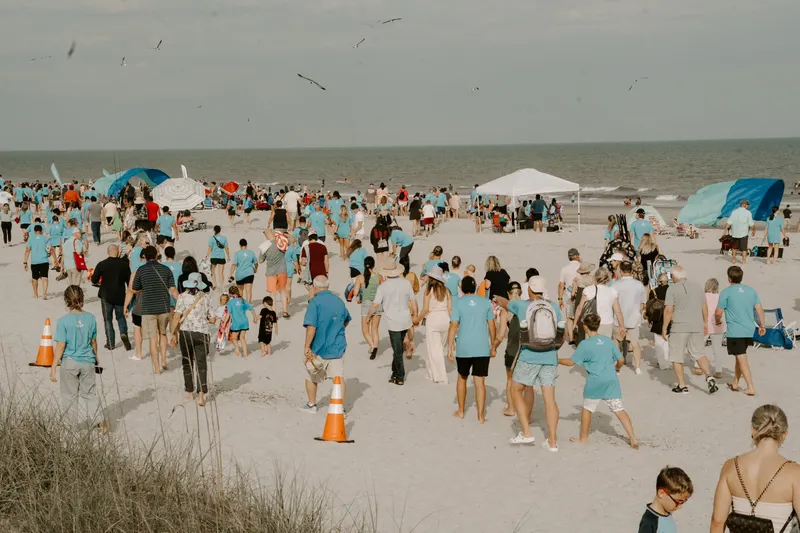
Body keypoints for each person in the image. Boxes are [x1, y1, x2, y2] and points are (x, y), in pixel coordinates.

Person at [494, 276, 561, 450]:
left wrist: (497, 298)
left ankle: (526, 432)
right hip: (550, 356)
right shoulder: (553, 306)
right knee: (550, 400)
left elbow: (505, 303)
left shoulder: (522, 305)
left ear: (529, 290)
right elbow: (561, 332)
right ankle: (552, 442)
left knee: (516, 388)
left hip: (529, 355)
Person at [710, 404, 800, 533]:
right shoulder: (794, 473)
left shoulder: (731, 466)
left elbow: (717, 522)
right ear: (784, 434)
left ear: (753, 430)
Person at [558, 314, 638, 448]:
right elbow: (621, 359)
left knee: (587, 409)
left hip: (595, 380)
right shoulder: (608, 341)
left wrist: (557, 360)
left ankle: (583, 438)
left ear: (585, 327)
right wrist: (617, 369)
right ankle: (633, 438)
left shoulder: (585, 344)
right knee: (619, 409)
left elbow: (571, 362)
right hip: (611, 379)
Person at [49, 285, 108, 434]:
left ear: (66, 300)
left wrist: (53, 367)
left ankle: (70, 428)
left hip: (70, 361)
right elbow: (93, 342)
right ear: (82, 299)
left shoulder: (63, 321)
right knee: (90, 394)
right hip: (87, 360)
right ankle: (100, 422)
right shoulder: (90, 318)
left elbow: (60, 346)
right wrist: (96, 358)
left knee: (69, 396)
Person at [660, 265, 718, 394]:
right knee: (699, 353)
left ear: (674, 276)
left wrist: (664, 328)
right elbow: (704, 307)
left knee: (676, 356)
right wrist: (705, 323)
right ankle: (709, 375)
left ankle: (682, 385)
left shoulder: (672, 288)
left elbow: (668, 310)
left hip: (679, 326)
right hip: (696, 324)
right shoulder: (697, 286)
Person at [124, 245, 179, 374]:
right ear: (156, 256)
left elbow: (135, 289)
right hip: (164, 306)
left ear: (144, 257)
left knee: (153, 338)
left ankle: (156, 368)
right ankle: (164, 360)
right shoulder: (166, 270)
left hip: (148, 308)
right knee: (163, 334)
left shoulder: (141, 271)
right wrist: (180, 303)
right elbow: (173, 290)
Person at [448, 275, 495, 423]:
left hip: (464, 347)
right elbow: (492, 325)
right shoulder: (485, 302)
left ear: (462, 289)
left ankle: (461, 411)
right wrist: (493, 345)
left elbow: (454, 325)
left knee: (462, 378)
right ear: (475, 288)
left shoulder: (458, 303)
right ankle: (481, 416)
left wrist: (449, 346)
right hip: (482, 347)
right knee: (480, 382)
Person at [301, 276, 351, 413]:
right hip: (337, 345)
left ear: (315, 287)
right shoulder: (338, 301)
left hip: (319, 347)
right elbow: (346, 320)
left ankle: (312, 404)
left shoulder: (315, 302)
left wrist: (307, 347)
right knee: (338, 378)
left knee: (311, 376)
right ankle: (339, 407)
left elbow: (311, 328)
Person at [715, 266, 766, 396]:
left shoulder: (726, 292)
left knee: (741, 358)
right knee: (739, 356)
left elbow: (718, 311)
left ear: (729, 278)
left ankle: (750, 387)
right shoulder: (751, 291)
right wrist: (762, 325)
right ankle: (735, 383)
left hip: (736, 330)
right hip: (749, 329)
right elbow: (759, 309)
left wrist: (717, 320)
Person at [368, 260, 417, 385]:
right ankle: (394, 373)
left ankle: (400, 376)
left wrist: (369, 316)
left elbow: (375, 304)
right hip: (405, 319)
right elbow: (413, 301)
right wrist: (415, 315)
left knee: (397, 351)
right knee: (398, 347)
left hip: (393, 321)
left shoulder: (383, 287)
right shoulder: (406, 283)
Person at [170, 273, 215, 407]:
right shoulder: (206, 298)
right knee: (201, 364)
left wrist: (172, 333)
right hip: (202, 333)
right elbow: (212, 319)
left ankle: (190, 392)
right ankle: (201, 395)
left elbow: (177, 316)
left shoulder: (182, 297)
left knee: (187, 362)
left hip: (186, 332)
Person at [415, 266, 452, 384]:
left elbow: (425, 309)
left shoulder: (428, 291)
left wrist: (418, 319)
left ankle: (440, 376)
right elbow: (450, 309)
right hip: (445, 320)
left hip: (433, 320)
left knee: (434, 349)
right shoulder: (447, 291)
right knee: (440, 348)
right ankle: (432, 371)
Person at [91, 244, 132, 351]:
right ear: (117, 252)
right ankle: (123, 333)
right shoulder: (124, 265)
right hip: (120, 295)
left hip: (106, 295)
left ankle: (110, 342)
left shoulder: (102, 264)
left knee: (107, 319)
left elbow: (94, 279)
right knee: (120, 317)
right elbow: (129, 282)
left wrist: (99, 281)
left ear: (108, 252)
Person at [613, 261, 647, 374]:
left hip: (619, 319)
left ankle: (618, 364)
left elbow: (612, 302)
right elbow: (643, 304)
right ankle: (637, 367)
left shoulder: (616, 285)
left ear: (621, 271)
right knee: (635, 343)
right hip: (634, 317)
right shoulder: (639, 285)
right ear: (631, 271)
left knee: (617, 341)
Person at [495, 281, 523, 417]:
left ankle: (511, 408)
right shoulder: (527, 306)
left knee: (510, 380)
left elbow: (500, 335)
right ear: (521, 292)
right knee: (526, 382)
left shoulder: (505, 311)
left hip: (512, 348)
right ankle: (524, 408)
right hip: (527, 349)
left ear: (508, 294)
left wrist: (493, 347)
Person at [574, 267, 625, 339]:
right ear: (608, 278)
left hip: (591, 323)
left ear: (595, 277)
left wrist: (575, 322)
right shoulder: (613, 291)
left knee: (591, 346)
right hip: (607, 323)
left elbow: (579, 308)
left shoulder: (588, 290)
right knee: (604, 347)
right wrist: (621, 326)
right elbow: (618, 312)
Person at [639, 467, 694, 533]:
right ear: (661, 493)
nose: (679, 506)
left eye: (683, 502)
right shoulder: (649, 522)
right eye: (678, 501)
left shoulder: (667, 514)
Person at [354, 256, 382, 359]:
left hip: (366, 305)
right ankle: (374, 346)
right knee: (375, 329)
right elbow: (382, 291)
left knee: (365, 330)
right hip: (377, 304)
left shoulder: (360, 278)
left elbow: (356, 292)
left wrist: (357, 293)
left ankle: (372, 345)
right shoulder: (379, 277)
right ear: (374, 265)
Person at [259, 230, 289, 318]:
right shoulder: (280, 242)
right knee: (283, 291)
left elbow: (260, 261)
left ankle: (274, 313)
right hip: (282, 270)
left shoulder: (264, 246)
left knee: (273, 294)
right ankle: (285, 311)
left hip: (271, 272)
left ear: (266, 236)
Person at [701, 278, 724, 377]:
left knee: (699, 347)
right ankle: (718, 370)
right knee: (717, 349)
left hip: (705, 324)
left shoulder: (703, 296)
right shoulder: (720, 297)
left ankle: (699, 367)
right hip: (718, 325)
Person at [558, 248, 581, 344]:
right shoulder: (581, 266)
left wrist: (560, 298)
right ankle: (580, 336)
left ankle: (571, 338)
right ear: (577, 256)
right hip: (581, 294)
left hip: (569, 295)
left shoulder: (564, 269)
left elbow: (561, 285)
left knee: (570, 317)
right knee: (580, 315)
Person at [226, 285, 257, 358]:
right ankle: (246, 354)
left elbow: (228, 314)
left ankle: (237, 347)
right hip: (244, 322)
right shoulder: (243, 300)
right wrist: (254, 317)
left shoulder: (230, 302)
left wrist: (224, 322)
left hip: (236, 323)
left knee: (234, 338)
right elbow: (252, 309)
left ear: (230, 294)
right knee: (242, 338)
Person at [24, 224, 50, 300]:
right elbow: (49, 249)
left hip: (34, 261)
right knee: (45, 277)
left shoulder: (31, 239)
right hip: (44, 260)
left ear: (34, 231)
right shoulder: (45, 238)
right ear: (41, 231)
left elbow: (27, 250)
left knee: (34, 278)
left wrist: (25, 262)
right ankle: (44, 294)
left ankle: (35, 294)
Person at [726, 199, 755, 265]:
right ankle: (744, 260)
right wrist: (754, 230)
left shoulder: (734, 212)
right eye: (747, 205)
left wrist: (724, 230)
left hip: (735, 233)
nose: (748, 206)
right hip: (743, 233)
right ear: (744, 205)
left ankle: (733, 259)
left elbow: (729, 222)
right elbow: (751, 223)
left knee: (734, 247)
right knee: (744, 248)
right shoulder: (748, 212)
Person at [300, 232, 329, 298]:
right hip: (322, 271)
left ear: (309, 238)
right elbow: (326, 261)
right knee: (322, 291)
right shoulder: (323, 247)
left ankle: (312, 304)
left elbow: (303, 262)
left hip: (311, 272)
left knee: (312, 289)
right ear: (316, 238)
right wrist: (327, 272)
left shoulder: (306, 248)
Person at [230, 239, 258, 303]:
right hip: (249, 273)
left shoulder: (237, 253)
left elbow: (234, 265)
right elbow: (256, 263)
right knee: (248, 290)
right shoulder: (251, 252)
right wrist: (255, 269)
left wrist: (230, 274)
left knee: (240, 290)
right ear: (246, 244)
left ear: (240, 245)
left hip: (240, 274)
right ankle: (247, 304)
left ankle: (241, 303)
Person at [205, 225, 230, 290]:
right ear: (220, 230)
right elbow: (226, 248)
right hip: (221, 257)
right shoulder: (224, 238)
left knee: (212, 271)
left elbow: (210, 248)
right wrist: (228, 256)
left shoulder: (212, 238)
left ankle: (215, 284)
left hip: (214, 256)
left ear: (214, 230)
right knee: (221, 272)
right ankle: (221, 286)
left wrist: (207, 256)